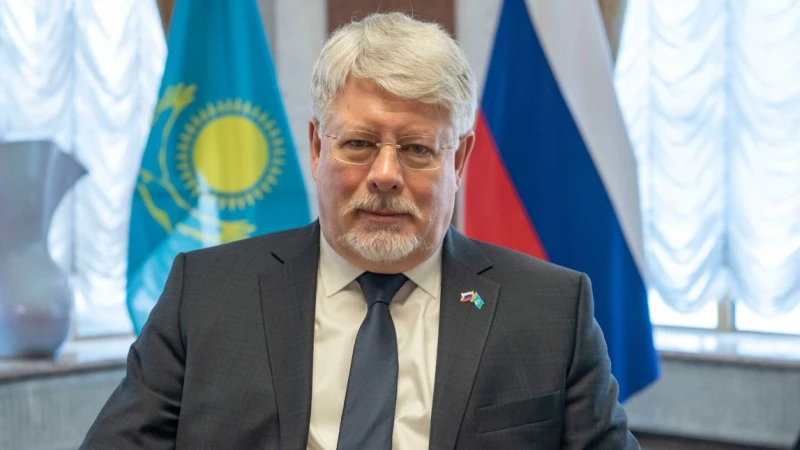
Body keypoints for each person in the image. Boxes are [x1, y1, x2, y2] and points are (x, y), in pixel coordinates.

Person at [80, 12, 639, 450]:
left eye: (417, 149)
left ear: (459, 160)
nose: (386, 175)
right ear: (317, 147)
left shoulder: (551, 310)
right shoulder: (204, 294)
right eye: (359, 144)